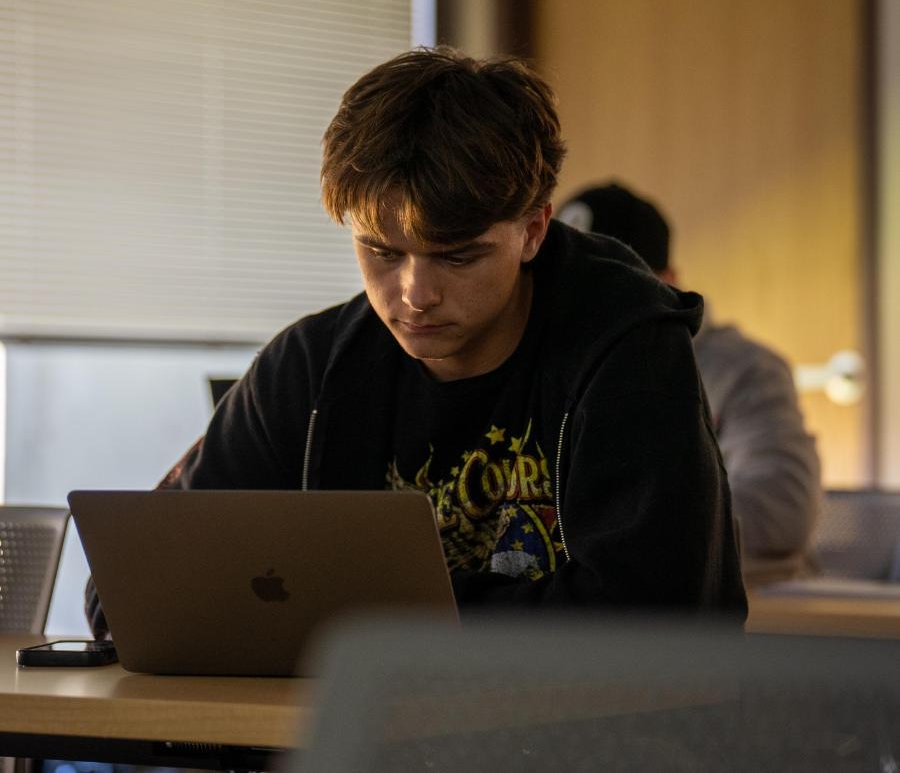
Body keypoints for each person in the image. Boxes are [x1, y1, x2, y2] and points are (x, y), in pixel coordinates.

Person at [86, 48, 746, 637]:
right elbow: (125, 591)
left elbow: (662, 617)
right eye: (381, 251)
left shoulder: (628, 352)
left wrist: (366, 623)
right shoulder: (310, 367)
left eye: (457, 258)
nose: (413, 294)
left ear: (533, 230)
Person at [558, 183, 822, 586]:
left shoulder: (745, 371)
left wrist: (634, 538)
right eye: (572, 287)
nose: (590, 309)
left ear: (669, 283)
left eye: (614, 287)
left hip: (741, 621)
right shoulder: (551, 368)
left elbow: (782, 509)